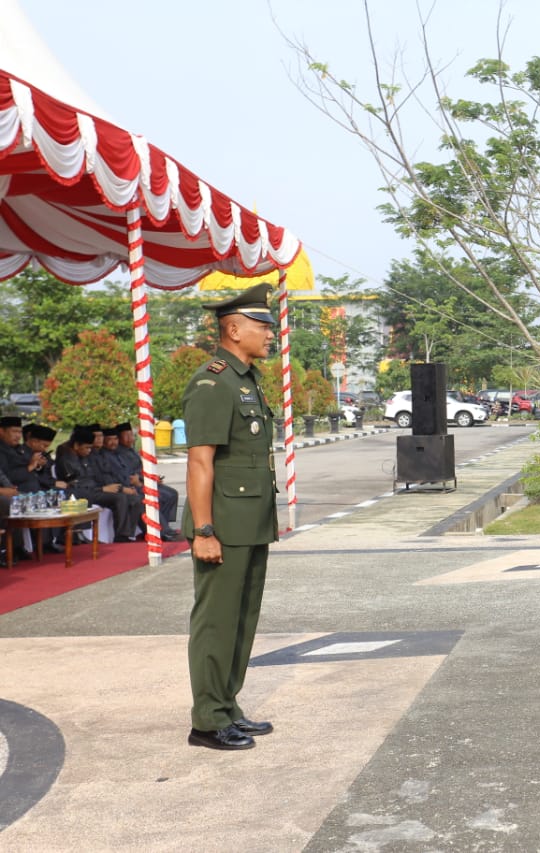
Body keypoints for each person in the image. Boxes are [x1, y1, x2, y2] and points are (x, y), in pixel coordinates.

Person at [182, 282, 280, 751]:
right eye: (263, 326)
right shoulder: (212, 381)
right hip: (222, 523)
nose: (270, 334)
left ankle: (227, 706)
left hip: (250, 520)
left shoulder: (245, 379)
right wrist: (204, 530)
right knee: (217, 621)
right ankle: (207, 720)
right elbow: (200, 462)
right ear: (234, 328)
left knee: (243, 619)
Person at [55, 427, 144, 542]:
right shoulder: (67, 460)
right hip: (83, 493)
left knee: (134, 499)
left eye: (90, 448)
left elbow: (95, 477)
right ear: (76, 445)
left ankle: (126, 534)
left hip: (95, 489)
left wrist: (116, 487)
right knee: (120, 498)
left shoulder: (85, 457)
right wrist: (102, 489)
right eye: (86, 448)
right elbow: (77, 484)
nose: (89, 451)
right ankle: (121, 535)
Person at [111, 421, 181, 541]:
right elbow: (129, 475)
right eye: (126, 436)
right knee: (151, 496)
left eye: (131, 435)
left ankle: (165, 525)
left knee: (171, 493)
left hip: (143, 481)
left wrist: (153, 478)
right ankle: (160, 530)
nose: (130, 439)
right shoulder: (118, 453)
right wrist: (142, 481)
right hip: (134, 484)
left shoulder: (131, 450)